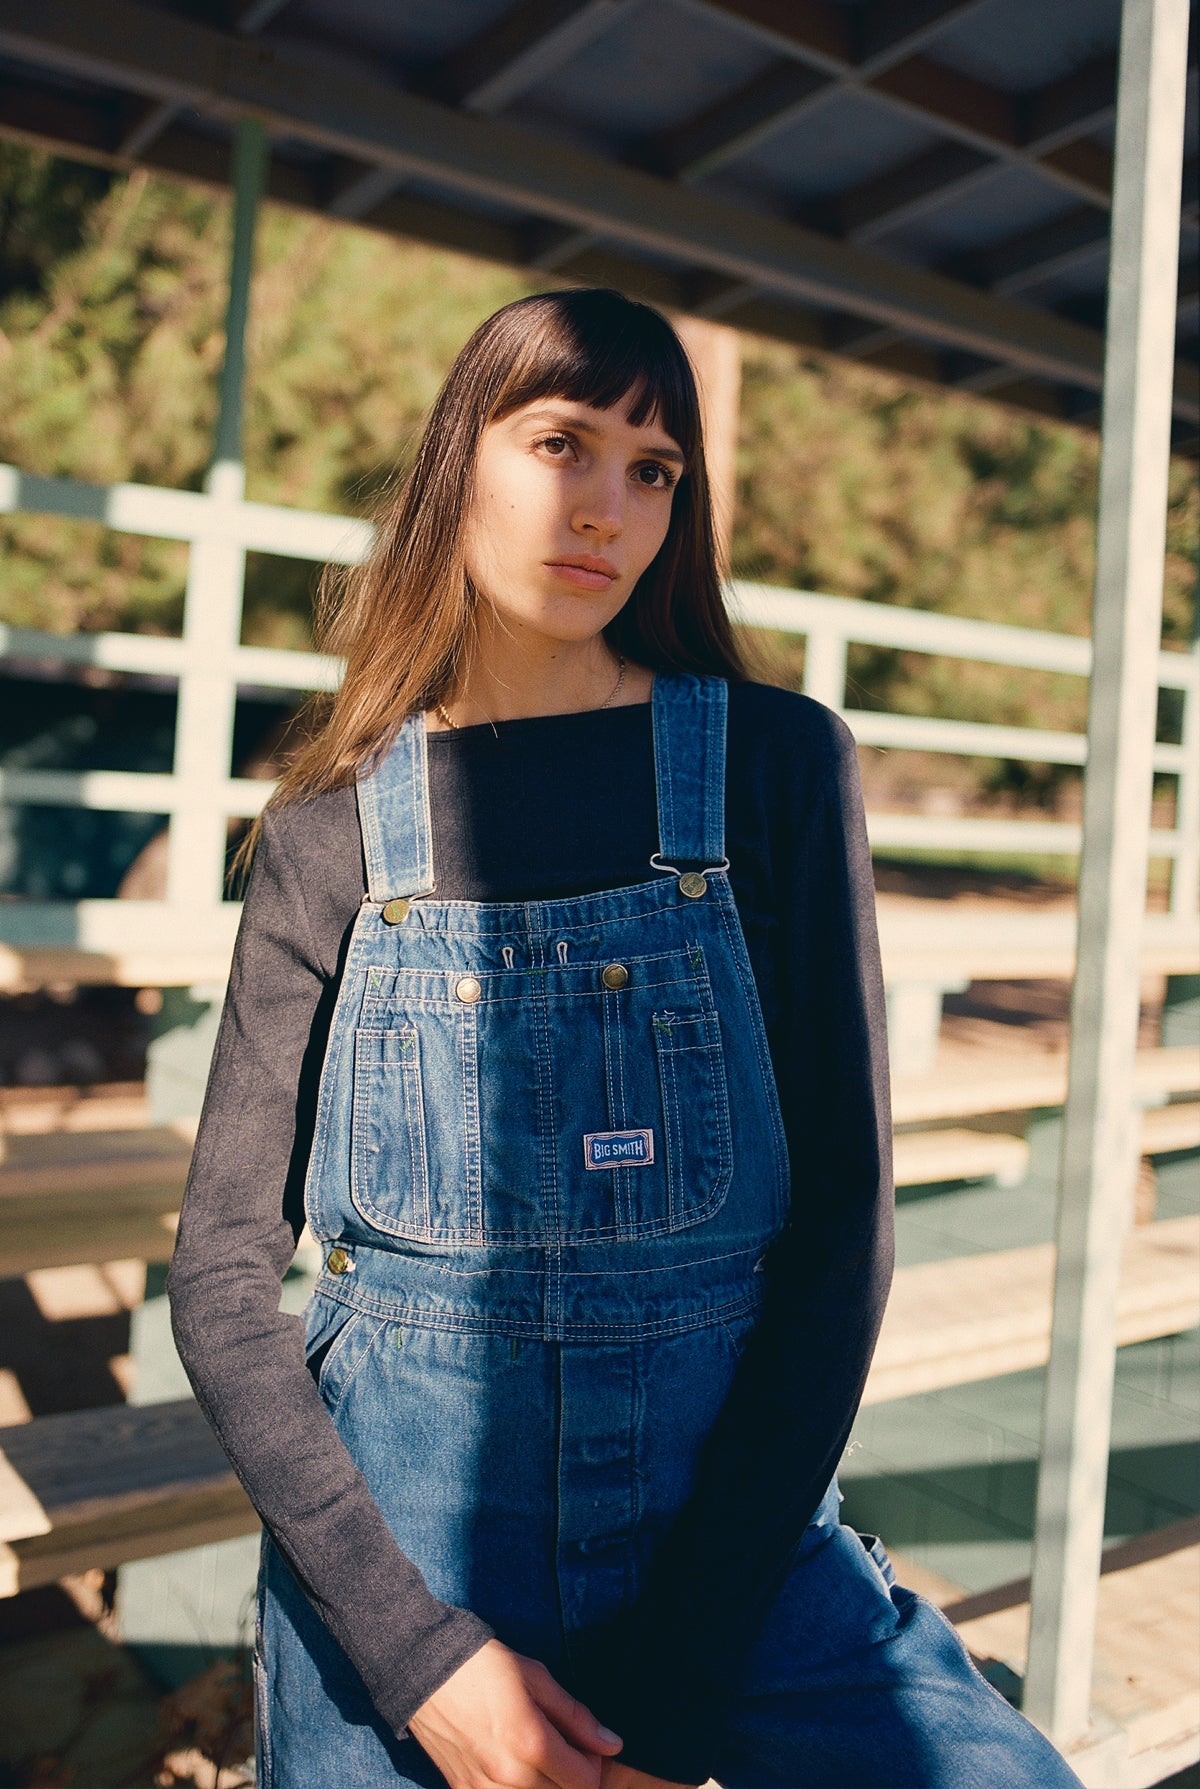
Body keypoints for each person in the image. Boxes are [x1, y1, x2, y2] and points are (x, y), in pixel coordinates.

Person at [167, 287, 1084, 1789]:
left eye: (652, 470)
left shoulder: (778, 769)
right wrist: (423, 1664)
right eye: (561, 444)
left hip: (730, 1553)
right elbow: (215, 1278)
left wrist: (668, 1691)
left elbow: (843, 1228)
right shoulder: (329, 836)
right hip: (407, 1581)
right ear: (457, 460)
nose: (606, 507)